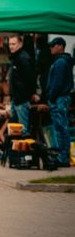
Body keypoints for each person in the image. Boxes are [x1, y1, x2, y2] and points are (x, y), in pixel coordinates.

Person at [46, 37, 74, 167]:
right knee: (61, 128)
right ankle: (63, 156)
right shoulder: (63, 61)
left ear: (60, 46)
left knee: (61, 128)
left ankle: (63, 158)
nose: (51, 48)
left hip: (59, 99)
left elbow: (57, 83)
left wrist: (51, 97)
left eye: (53, 46)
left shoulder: (60, 63)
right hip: (61, 98)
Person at [8, 35, 38, 135]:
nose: (11, 46)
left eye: (13, 44)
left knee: (23, 130)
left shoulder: (23, 58)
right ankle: (16, 150)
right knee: (14, 129)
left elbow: (30, 78)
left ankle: (24, 150)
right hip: (16, 99)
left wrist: (30, 94)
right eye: (10, 44)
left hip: (22, 100)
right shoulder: (16, 58)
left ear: (20, 44)